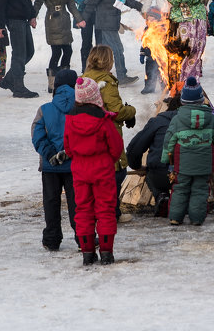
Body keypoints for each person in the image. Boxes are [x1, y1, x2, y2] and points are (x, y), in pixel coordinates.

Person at [65, 76, 124, 265]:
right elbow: (116, 147)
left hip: (80, 171)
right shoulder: (104, 121)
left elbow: (68, 148)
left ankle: (87, 253)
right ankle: (106, 252)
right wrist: (107, 160)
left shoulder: (70, 120)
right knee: (105, 210)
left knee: (82, 210)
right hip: (103, 170)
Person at [161, 77, 214, 225]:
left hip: (182, 164)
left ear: (183, 101)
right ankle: (197, 219)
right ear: (201, 101)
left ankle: (175, 218)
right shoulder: (211, 119)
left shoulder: (178, 119)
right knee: (200, 190)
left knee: (180, 189)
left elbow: (169, 141)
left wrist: (167, 161)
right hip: (204, 164)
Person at [84, 44, 137, 218]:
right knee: (117, 170)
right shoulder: (107, 82)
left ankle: (101, 210)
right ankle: (112, 212)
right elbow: (116, 111)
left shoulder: (84, 78)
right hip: (107, 133)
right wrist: (131, 111)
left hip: (88, 134)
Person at [32, 68, 78, 251]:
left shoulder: (44, 110)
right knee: (77, 204)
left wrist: (50, 154)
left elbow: (37, 136)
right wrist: (70, 152)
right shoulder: (81, 109)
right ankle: (83, 238)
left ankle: (52, 238)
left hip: (50, 167)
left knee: (51, 202)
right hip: (74, 165)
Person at [85, 0, 136, 86]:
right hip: (105, 23)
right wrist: (82, 19)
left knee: (102, 52)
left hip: (112, 23)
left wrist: (144, 9)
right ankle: (122, 76)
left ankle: (94, 75)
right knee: (118, 49)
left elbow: (130, 1)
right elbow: (91, 2)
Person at [34, 0, 86, 74]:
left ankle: (64, 76)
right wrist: (33, 16)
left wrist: (79, 18)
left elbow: (71, 2)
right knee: (56, 52)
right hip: (53, 20)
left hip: (64, 19)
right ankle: (52, 80)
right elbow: (38, 2)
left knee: (68, 51)